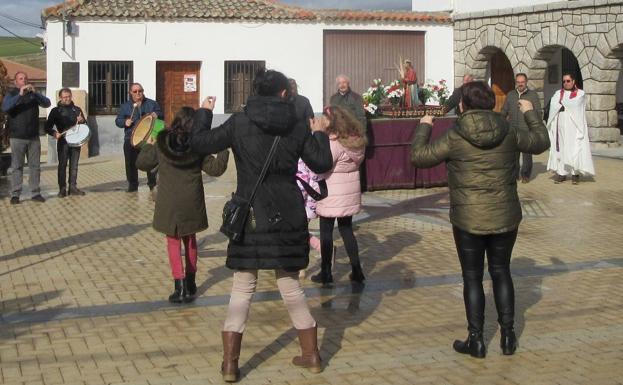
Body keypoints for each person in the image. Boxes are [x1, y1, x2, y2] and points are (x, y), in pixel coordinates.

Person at [190, 69, 332, 382]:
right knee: (290, 283)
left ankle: (230, 363)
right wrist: (320, 131)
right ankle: (311, 355)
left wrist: (203, 112)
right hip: (288, 213)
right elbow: (322, 164)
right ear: (284, 93)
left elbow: (199, 143)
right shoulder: (297, 125)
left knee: (243, 285)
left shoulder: (240, 122)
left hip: (251, 213)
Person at [411, 82, 550, 358]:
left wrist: (425, 125)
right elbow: (540, 142)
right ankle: (508, 336)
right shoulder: (508, 131)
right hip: (505, 215)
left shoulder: (455, 135)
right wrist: (531, 113)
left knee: (472, 277)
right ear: (492, 104)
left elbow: (419, 156)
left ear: (462, 105)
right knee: (501, 271)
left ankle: (476, 340)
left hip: (468, 218)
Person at [137, 107, 229, 303]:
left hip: (169, 201)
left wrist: (148, 145)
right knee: (190, 240)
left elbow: (142, 163)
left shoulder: (162, 141)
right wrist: (224, 148)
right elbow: (216, 169)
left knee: (173, 242)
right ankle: (191, 283)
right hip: (191, 200)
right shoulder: (197, 145)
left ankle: (178, 287)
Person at [310, 105, 367, 285]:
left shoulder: (334, 142)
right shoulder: (355, 140)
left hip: (331, 192)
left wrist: (316, 135)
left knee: (326, 232)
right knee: (346, 230)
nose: (322, 120)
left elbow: (322, 163)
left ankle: (326, 272)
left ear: (332, 121)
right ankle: (357, 271)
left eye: (325, 118)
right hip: (348, 192)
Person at [1, 71, 51, 204]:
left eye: (26, 78)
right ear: (15, 82)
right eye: (21, 79)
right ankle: (15, 194)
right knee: (17, 166)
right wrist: (20, 95)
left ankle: (35, 193)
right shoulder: (11, 94)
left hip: (33, 136)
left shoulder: (33, 95)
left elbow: (47, 103)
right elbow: (5, 107)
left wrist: (35, 93)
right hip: (17, 137)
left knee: (35, 166)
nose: (24, 81)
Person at [546, 73, 595, 184]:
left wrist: (562, 103)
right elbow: (553, 104)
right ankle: (561, 173)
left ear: (573, 81)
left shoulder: (580, 93)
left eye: (568, 81)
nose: (565, 83)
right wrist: (563, 103)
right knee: (561, 149)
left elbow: (575, 104)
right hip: (561, 125)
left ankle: (575, 174)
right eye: (564, 81)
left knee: (574, 149)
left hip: (574, 126)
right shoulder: (558, 93)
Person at [115, 83, 163, 193]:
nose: (138, 93)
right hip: (131, 138)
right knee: (130, 163)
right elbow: (118, 121)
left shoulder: (152, 104)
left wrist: (157, 114)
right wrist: (124, 122)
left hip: (149, 138)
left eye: (140, 91)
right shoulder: (125, 106)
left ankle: (152, 183)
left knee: (151, 161)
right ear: (130, 93)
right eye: (135, 91)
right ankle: (132, 184)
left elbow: (161, 113)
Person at [44, 88, 87, 197]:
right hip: (63, 142)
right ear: (60, 98)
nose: (67, 99)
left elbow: (84, 125)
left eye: (69, 96)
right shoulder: (56, 111)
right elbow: (47, 127)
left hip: (76, 141)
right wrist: (54, 133)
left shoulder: (77, 109)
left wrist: (82, 121)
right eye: (65, 97)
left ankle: (73, 187)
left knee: (74, 165)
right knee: (62, 165)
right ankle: (62, 189)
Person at [501, 73, 543, 183]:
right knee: (513, 155)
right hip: (513, 129)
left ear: (526, 82)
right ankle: (515, 174)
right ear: (516, 82)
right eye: (518, 82)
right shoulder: (510, 95)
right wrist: (500, 121)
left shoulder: (533, 95)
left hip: (527, 130)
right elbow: (504, 110)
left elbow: (538, 112)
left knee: (527, 155)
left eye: (522, 82)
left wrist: (535, 125)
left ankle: (525, 175)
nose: (520, 84)